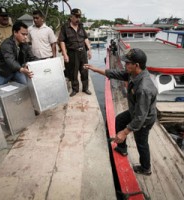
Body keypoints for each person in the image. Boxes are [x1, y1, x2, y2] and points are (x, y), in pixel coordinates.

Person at [84, 48, 158, 176]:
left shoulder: (143, 88)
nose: (125, 65)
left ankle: (146, 168)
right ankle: (122, 148)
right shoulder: (133, 74)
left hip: (144, 119)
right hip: (136, 111)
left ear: (137, 65)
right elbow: (115, 73)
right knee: (119, 119)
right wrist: (95, 69)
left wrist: (124, 132)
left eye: (128, 63)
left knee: (141, 142)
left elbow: (140, 118)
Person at [0, 21, 37, 87]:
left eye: (26, 34)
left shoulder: (24, 44)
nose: (25, 37)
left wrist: (44, 62)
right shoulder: (6, 44)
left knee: (26, 86)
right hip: (2, 72)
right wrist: (22, 69)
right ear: (15, 32)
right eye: (23, 34)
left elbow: (31, 57)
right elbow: (10, 60)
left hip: (16, 71)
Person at [58, 8, 92, 97]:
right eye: (76, 17)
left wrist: (89, 50)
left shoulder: (81, 26)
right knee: (73, 72)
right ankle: (75, 89)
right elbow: (61, 41)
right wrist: (65, 54)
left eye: (79, 17)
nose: (78, 19)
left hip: (83, 52)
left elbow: (85, 38)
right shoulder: (65, 27)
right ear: (71, 17)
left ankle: (85, 88)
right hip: (72, 53)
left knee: (84, 70)